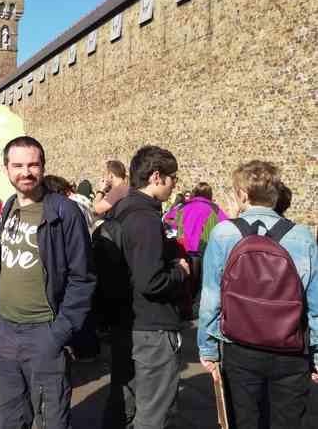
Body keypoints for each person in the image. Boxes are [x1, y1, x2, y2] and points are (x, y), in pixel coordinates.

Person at [0, 136, 95, 429]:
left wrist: (59, 333)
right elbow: (2, 249)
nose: (26, 172)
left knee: (51, 419)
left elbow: (82, 279)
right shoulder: (10, 206)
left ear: (43, 167)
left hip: (44, 331)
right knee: (9, 418)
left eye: (33, 164)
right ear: (7, 169)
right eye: (18, 165)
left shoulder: (64, 212)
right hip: (6, 330)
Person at [198, 160, 318, 429]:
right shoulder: (302, 236)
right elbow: (316, 304)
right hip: (290, 349)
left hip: (240, 347)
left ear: (242, 194)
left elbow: (211, 296)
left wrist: (208, 348)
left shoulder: (224, 233)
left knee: (244, 421)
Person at [102, 145, 189, 429]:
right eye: (172, 177)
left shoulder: (123, 211)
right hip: (151, 326)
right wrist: (180, 271)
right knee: (153, 415)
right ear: (156, 176)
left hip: (126, 322)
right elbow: (150, 281)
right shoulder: (145, 218)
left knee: (123, 407)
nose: (175, 183)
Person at [162, 181, 228, 319]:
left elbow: (167, 219)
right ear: (210, 195)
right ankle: (196, 312)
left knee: (185, 284)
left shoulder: (182, 207)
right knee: (201, 286)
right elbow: (226, 224)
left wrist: (180, 231)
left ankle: (183, 312)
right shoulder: (214, 209)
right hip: (203, 250)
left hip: (183, 249)